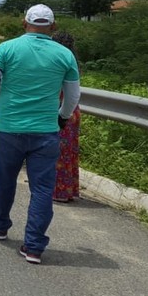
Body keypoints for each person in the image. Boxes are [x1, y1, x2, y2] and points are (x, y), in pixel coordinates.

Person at [0, 4, 80, 264]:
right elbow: (73, 96)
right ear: (53, 27)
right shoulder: (64, 55)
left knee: (5, 180)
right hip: (46, 131)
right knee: (43, 189)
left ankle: (0, 225)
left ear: (24, 23)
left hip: (9, 128)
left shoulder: (7, 48)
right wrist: (62, 117)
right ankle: (34, 246)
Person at [51, 31, 81, 203]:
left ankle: (59, 191)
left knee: (57, 152)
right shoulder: (72, 62)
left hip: (61, 110)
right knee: (69, 152)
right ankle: (68, 190)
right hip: (73, 110)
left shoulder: (57, 61)